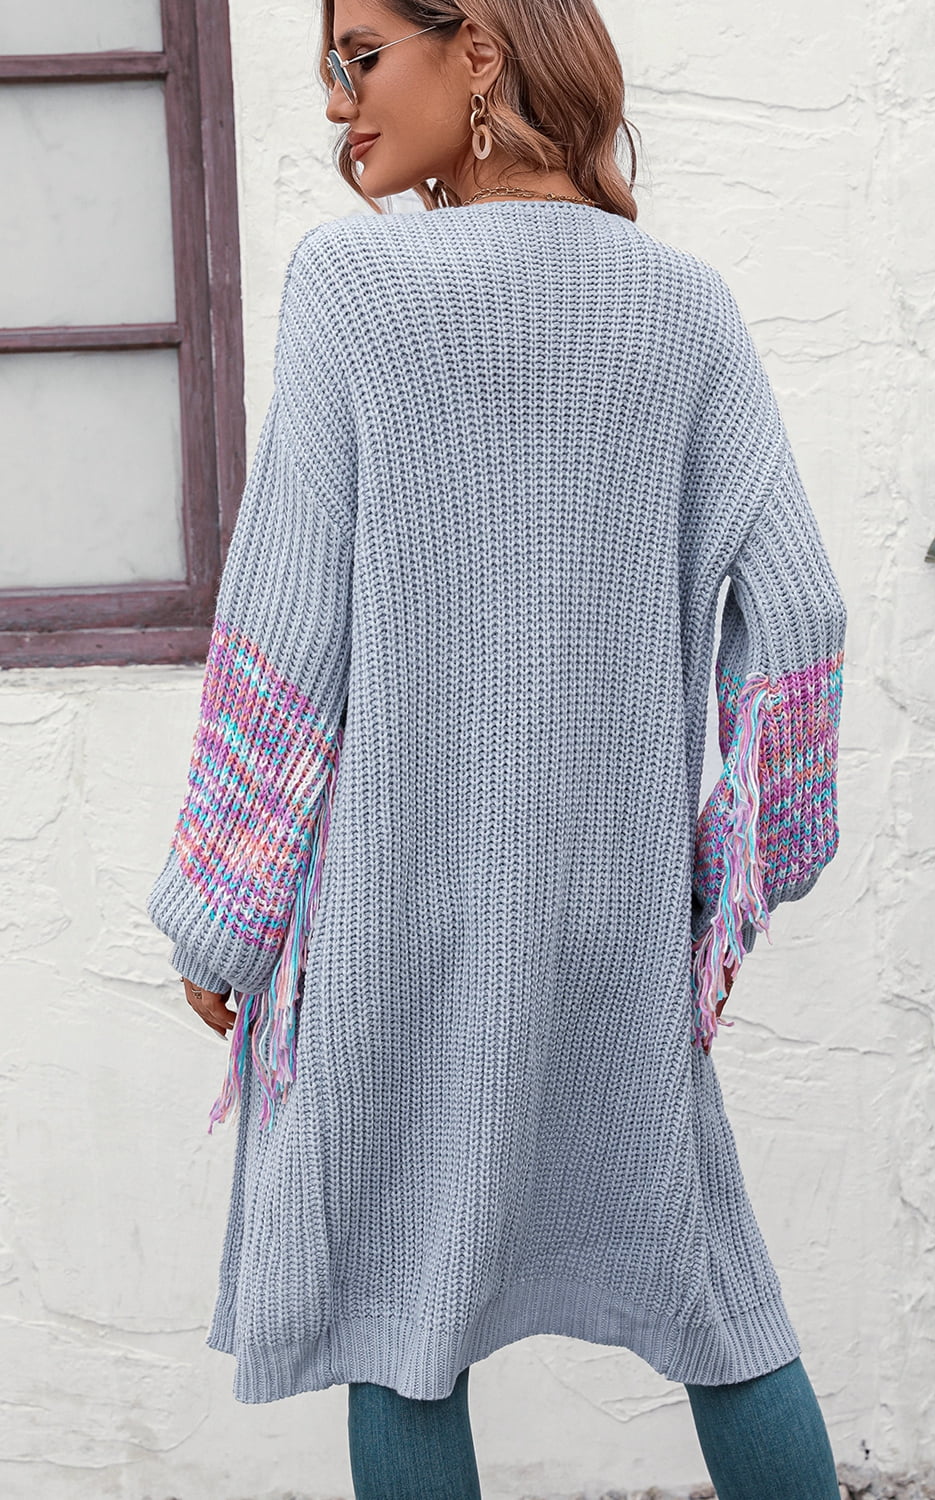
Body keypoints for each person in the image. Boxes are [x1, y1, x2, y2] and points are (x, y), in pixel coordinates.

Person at [145, 1, 848, 1496]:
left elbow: (287, 628)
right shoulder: (685, 306)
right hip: (610, 927)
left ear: (478, 50)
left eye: (361, 55)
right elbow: (798, 616)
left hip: (393, 918)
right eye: (330, 66)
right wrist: (725, 889)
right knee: (722, 1306)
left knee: (402, 1316)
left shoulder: (352, 289)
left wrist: (225, 916)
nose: (337, 99)